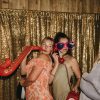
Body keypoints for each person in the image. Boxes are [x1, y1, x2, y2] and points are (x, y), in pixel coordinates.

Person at [52, 32, 81, 100]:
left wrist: (76, 86)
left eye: (67, 44)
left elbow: (79, 77)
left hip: (67, 95)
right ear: (56, 46)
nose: (65, 47)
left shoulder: (71, 60)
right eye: (61, 45)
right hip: (55, 95)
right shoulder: (53, 60)